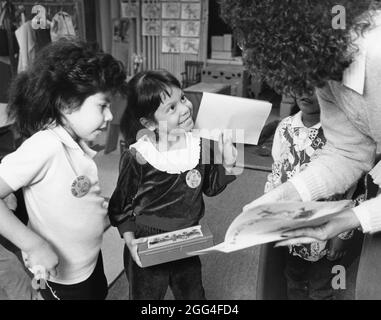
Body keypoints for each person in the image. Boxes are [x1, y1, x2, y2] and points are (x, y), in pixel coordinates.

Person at [234, 2, 381, 299]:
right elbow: (348, 151)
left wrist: (356, 218)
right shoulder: (322, 65)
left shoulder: (376, 55)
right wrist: (289, 193)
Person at [0, 39, 127, 300]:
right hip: (62, 279)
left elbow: (70, 195)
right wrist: (33, 244)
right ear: (66, 103)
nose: (110, 116)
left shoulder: (77, 143)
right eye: (102, 106)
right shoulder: (45, 146)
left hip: (90, 262)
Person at [108, 70, 237, 300]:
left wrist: (227, 163)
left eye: (183, 98)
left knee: (193, 295)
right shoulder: (139, 155)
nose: (185, 108)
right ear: (149, 123)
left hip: (188, 238)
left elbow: (211, 187)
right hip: (146, 240)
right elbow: (120, 205)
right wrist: (130, 242)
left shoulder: (201, 144)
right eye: (171, 108)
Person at [259, 90, 378, 300]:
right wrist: (270, 203)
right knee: (293, 277)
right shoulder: (285, 126)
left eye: (312, 86)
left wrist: (342, 236)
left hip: (329, 229)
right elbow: (278, 169)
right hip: (292, 227)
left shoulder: (340, 132)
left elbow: (356, 189)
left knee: (323, 286)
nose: (304, 92)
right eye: (298, 85)